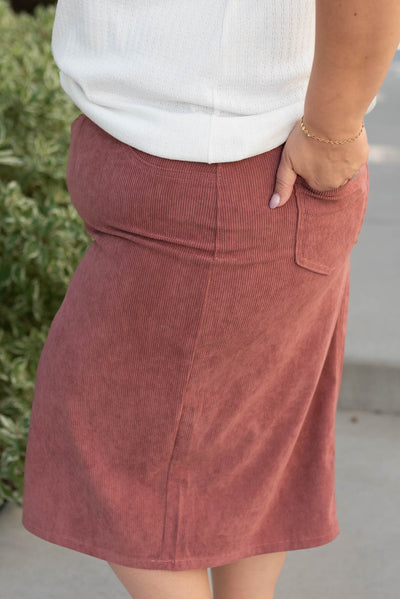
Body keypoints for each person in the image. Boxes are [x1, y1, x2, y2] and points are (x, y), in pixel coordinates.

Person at [21, 1, 400, 598]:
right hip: (216, 171)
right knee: (248, 456)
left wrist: (332, 128)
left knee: (101, 441)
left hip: (228, 180)